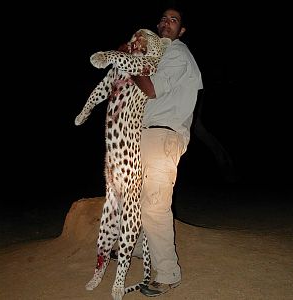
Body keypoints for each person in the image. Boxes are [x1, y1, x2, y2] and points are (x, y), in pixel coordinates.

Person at [113, 6, 203, 297]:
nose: (167, 23)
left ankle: (168, 273)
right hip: (149, 134)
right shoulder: (163, 57)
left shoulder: (177, 53)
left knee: (154, 204)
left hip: (162, 135)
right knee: (139, 197)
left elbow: (151, 89)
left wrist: (127, 61)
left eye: (174, 20)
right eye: (163, 19)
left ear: (181, 30)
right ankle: (138, 247)